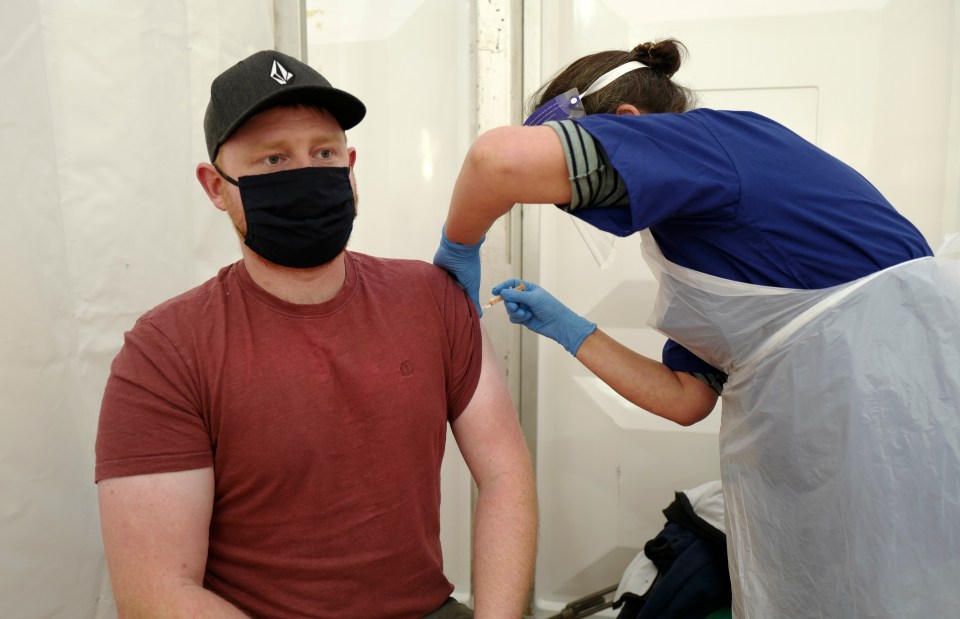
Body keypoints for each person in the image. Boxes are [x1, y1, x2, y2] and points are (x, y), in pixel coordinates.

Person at [433, 38, 960, 617]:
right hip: (830, 464)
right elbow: (687, 400)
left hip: (902, 429)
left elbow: (498, 161)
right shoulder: (700, 236)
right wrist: (572, 330)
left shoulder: (715, 142)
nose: (566, 201)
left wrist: (459, 246)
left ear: (628, 126)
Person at [95, 50, 537, 619]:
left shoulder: (431, 298)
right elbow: (156, 592)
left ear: (350, 163)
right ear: (215, 185)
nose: (304, 173)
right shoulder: (166, 351)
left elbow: (505, 475)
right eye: (273, 159)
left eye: (323, 152)